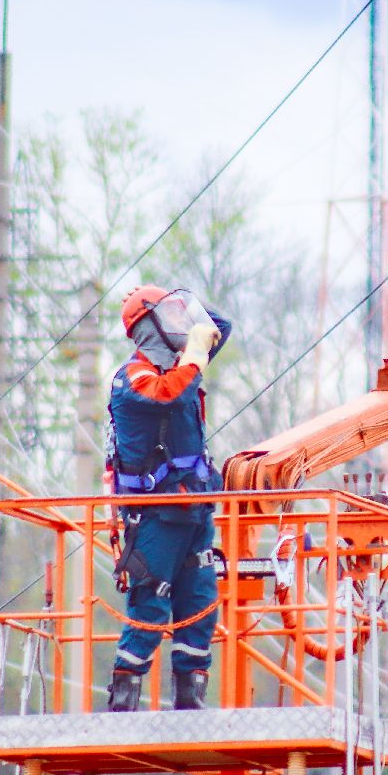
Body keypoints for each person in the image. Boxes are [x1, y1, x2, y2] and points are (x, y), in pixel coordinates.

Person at [104, 286, 233, 712]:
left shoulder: (183, 366)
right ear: (151, 328)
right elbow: (169, 393)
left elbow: (221, 327)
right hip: (156, 515)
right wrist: (192, 348)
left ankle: (190, 697)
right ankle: (124, 700)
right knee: (151, 601)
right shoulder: (133, 378)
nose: (183, 325)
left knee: (199, 600)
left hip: (194, 509)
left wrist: (190, 313)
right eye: (171, 317)